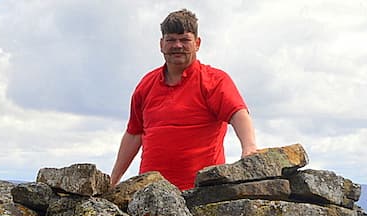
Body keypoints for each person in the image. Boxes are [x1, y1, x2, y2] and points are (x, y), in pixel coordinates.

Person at [108, 9, 258, 191]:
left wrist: (249, 148)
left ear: (197, 43)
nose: (177, 45)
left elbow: (238, 113)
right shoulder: (146, 84)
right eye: (171, 40)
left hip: (201, 192)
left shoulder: (214, 80)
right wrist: (113, 181)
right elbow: (134, 133)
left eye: (185, 40)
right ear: (161, 44)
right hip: (151, 193)